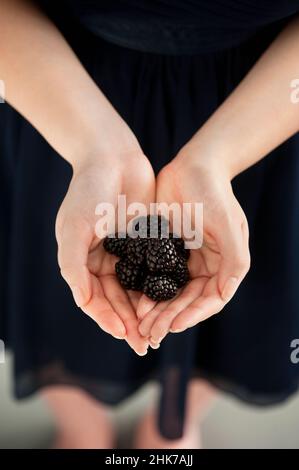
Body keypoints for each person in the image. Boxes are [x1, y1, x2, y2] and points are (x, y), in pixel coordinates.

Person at [0, 0, 299, 449]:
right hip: (59, 95)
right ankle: (83, 430)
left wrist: (218, 159)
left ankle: (169, 431)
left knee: (230, 317)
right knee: (56, 305)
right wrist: (91, 144)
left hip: (262, 114)